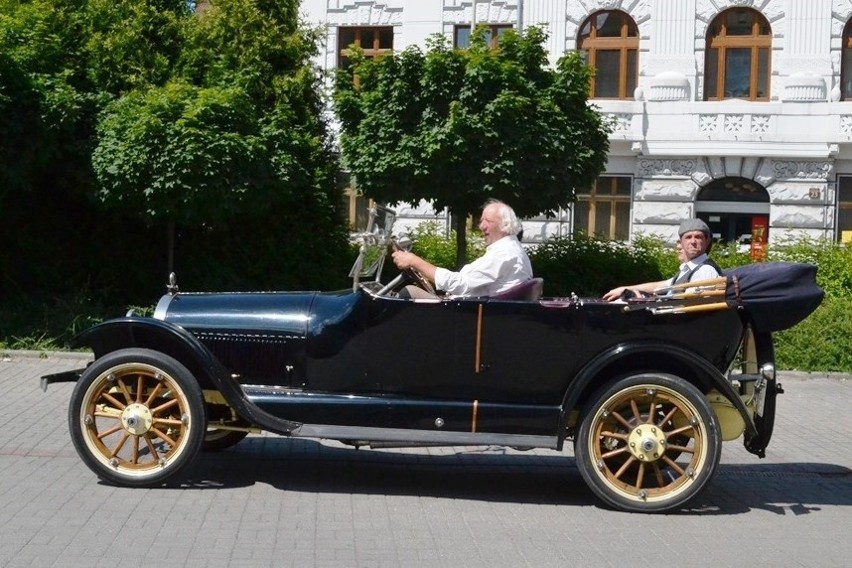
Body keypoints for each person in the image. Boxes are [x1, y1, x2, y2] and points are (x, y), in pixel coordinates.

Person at [391, 199, 533, 299]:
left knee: (407, 293)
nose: (481, 226)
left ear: (505, 225)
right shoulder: (508, 250)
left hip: (468, 318)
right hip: (468, 312)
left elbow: (458, 284)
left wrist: (414, 261)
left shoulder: (505, 254)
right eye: (481, 220)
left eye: (488, 221)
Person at [602, 218, 722, 302]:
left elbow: (694, 309)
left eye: (698, 237)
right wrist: (626, 289)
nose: (693, 242)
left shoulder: (705, 270)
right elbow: (660, 286)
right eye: (688, 237)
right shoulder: (689, 269)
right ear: (682, 243)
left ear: (707, 242)